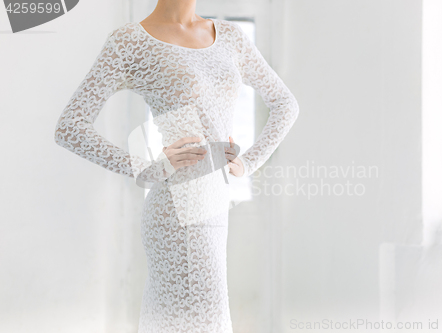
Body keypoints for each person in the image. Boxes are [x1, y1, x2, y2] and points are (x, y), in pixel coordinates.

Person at [54, 0, 299, 331]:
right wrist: (146, 167)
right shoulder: (130, 41)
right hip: (174, 208)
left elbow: (285, 103)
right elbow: (70, 127)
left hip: (215, 204)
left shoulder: (230, 36)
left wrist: (248, 162)